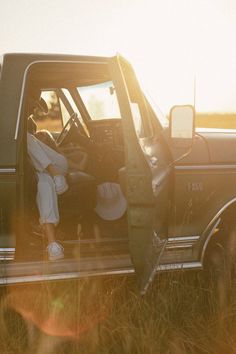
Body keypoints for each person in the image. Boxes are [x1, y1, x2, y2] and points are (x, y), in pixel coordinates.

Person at [27, 132, 69, 260]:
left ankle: (56, 174)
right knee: (44, 184)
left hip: (58, 166)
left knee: (24, 136)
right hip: (39, 171)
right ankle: (52, 244)